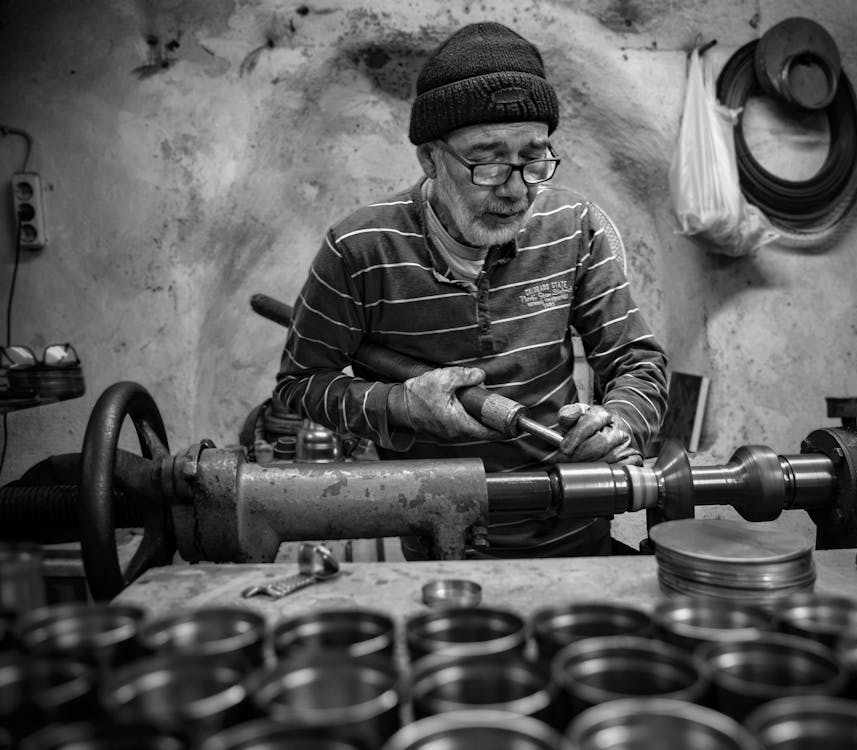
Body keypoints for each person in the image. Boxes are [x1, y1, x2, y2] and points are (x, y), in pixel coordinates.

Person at [273, 21, 668, 558]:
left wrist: (616, 425)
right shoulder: (360, 249)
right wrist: (401, 405)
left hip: (575, 530)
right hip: (440, 541)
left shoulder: (575, 227)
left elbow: (637, 364)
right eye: (486, 161)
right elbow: (299, 385)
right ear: (431, 158)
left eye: (534, 157)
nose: (514, 188)